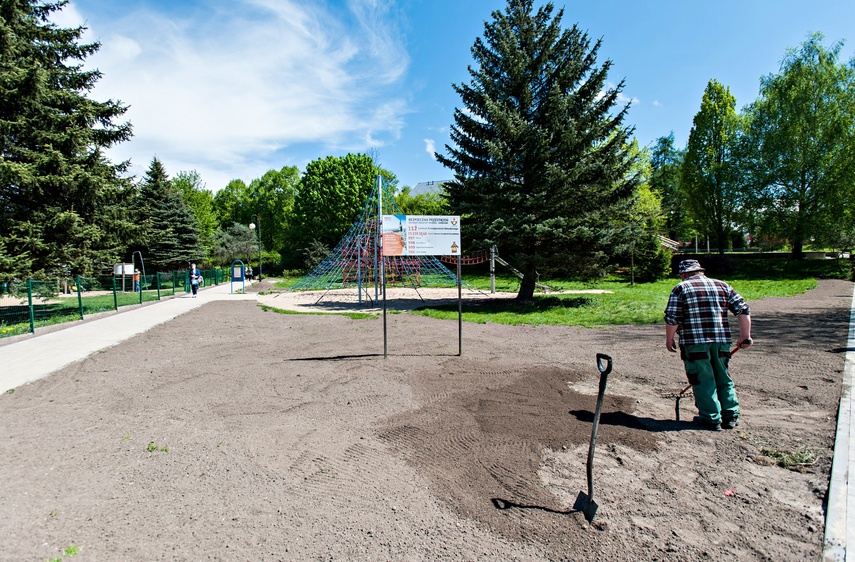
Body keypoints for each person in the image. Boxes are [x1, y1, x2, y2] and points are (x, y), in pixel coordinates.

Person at [664, 259, 753, 431]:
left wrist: (669, 338)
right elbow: (743, 309)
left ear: (683, 274)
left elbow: (672, 317)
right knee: (723, 376)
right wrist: (745, 336)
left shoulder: (681, 288)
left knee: (702, 378)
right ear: (701, 271)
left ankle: (711, 419)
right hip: (721, 342)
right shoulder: (723, 286)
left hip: (694, 342)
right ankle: (730, 416)